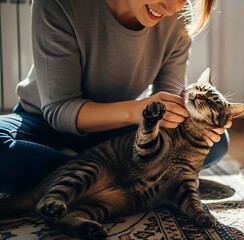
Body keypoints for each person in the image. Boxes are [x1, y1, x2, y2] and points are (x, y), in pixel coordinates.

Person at [0, 0, 232, 194]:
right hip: (41, 121)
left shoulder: (179, 17)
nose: (171, 8)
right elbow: (60, 110)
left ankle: (79, 182)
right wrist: (137, 111)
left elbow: (168, 101)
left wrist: (192, 121)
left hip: (117, 132)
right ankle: (141, 183)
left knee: (217, 143)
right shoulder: (60, 3)